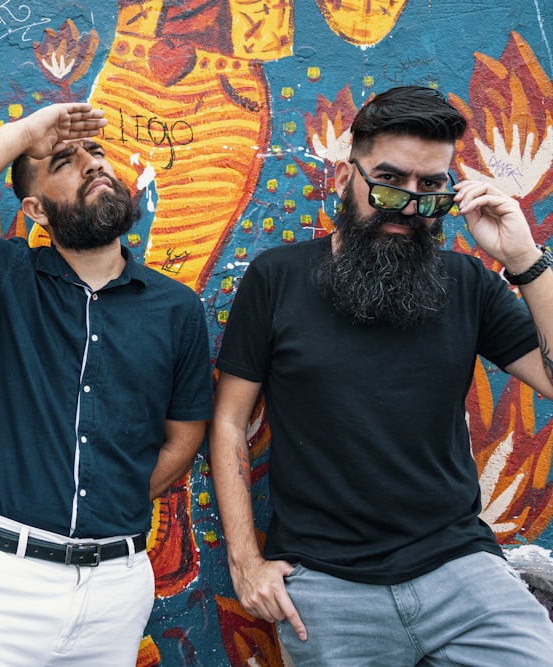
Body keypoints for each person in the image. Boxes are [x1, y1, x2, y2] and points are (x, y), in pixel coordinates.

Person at [210, 85, 553, 665]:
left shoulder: (467, 283)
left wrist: (525, 261)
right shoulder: (277, 278)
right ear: (347, 174)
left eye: (430, 187)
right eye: (389, 180)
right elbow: (227, 421)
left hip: (461, 569)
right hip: (325, 586)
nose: (407, 204)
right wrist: (246, 563)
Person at [0, 102, 213, 665]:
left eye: (98, 154)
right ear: (35, 210)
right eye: (65, 161)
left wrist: (111, 503)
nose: (93, 166)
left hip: (115, 590)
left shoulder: (176, 308)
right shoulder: (9, 277)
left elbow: (183, 437)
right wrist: (23, 135)